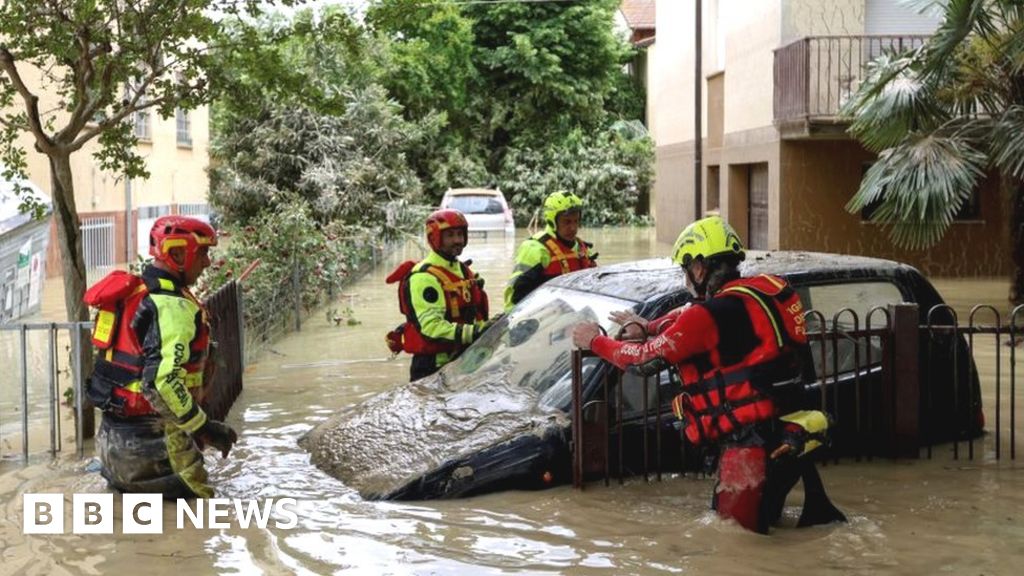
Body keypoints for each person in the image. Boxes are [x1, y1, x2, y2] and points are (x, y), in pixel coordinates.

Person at [572, 215, 845, 534]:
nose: (685, 278)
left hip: (748, 445)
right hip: (788, 432)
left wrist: (595, 340)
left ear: (699, 268)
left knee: (735, 541)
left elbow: (643, 361)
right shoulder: (763, 293)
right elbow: (689, 315)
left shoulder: (709, 315)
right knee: (764, 526)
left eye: (685, 269)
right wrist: (648, 325)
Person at [84, 215, 237, 498]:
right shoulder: (172, 307)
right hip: (154, 451)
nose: (207, 262)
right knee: (202, 526)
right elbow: (161, 383)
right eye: (203, 252)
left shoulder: (133, 294)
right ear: (177, 252)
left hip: (109, 447)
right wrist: (205, 428)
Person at [385, 209, 490, 381]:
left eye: (459, 234)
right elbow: (431, 327)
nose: (457, 240)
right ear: (435, 238)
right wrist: (476, 332)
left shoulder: (462, 270)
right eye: (450, 235)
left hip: (462, 360)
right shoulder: (423, 277)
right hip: (432, 366)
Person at [503, 191, 597, 311]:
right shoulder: (535, 249)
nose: (573, 228)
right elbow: (513, 297)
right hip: (544, 317)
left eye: (576, 221)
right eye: (567, 222)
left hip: (574, 314)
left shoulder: (581, 248)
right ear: (552, 221)